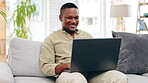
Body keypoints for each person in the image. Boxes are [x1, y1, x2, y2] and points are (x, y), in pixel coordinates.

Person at [40, 2, 128, 83]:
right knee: (77, 79)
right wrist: (66, 65)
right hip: (68, 74)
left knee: (119, 77)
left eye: (76, 18)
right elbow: (45, 67)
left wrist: (103, 63)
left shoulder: (87, 36)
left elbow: (96, 57)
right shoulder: (51, 39)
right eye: (69, 18)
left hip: (91, 74)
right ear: (60, 18)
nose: (73, 21)